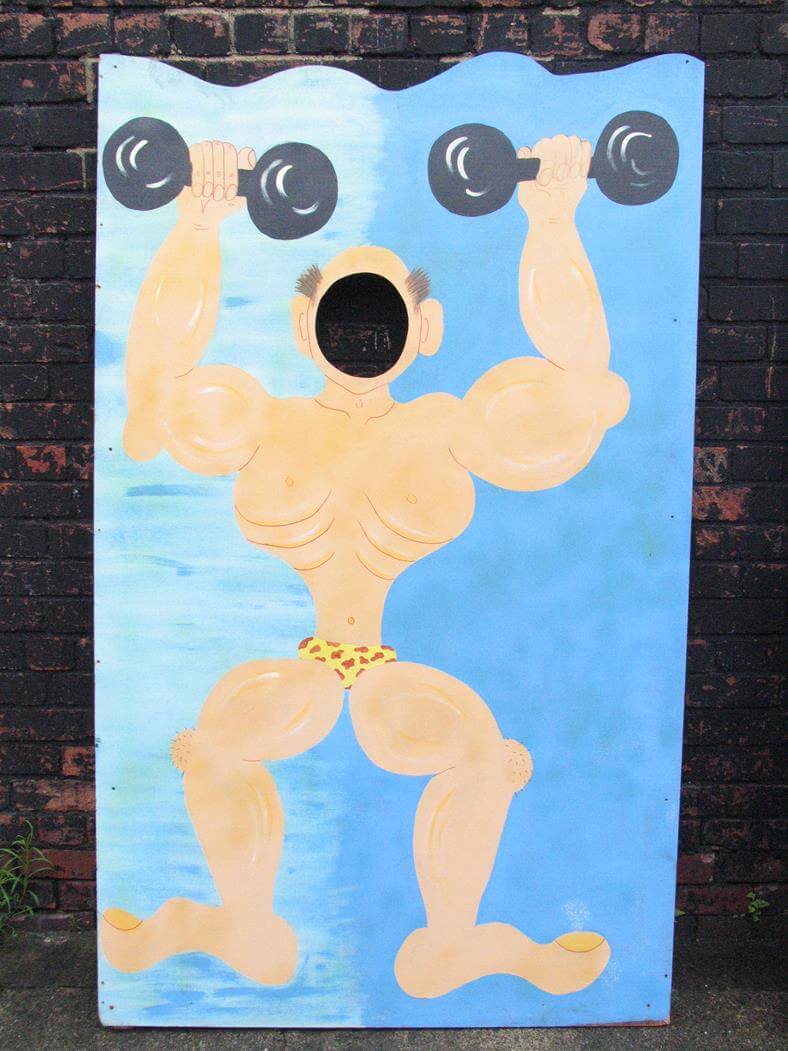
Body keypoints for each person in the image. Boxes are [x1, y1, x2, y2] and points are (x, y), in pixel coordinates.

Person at [102, 134, 629, 997]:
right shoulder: (265, 419)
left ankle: (453, 942)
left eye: (382, 314)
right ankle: (241, 923)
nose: (360, 333)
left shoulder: (444, 427)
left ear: (427, 329)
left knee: (479, 749)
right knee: (220, 738)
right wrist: (197, 225)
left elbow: (583, 390)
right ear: (301, 326)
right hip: (307, 665)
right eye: (340, 311)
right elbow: (154, 393)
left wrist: (553, 219)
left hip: (384, 668)